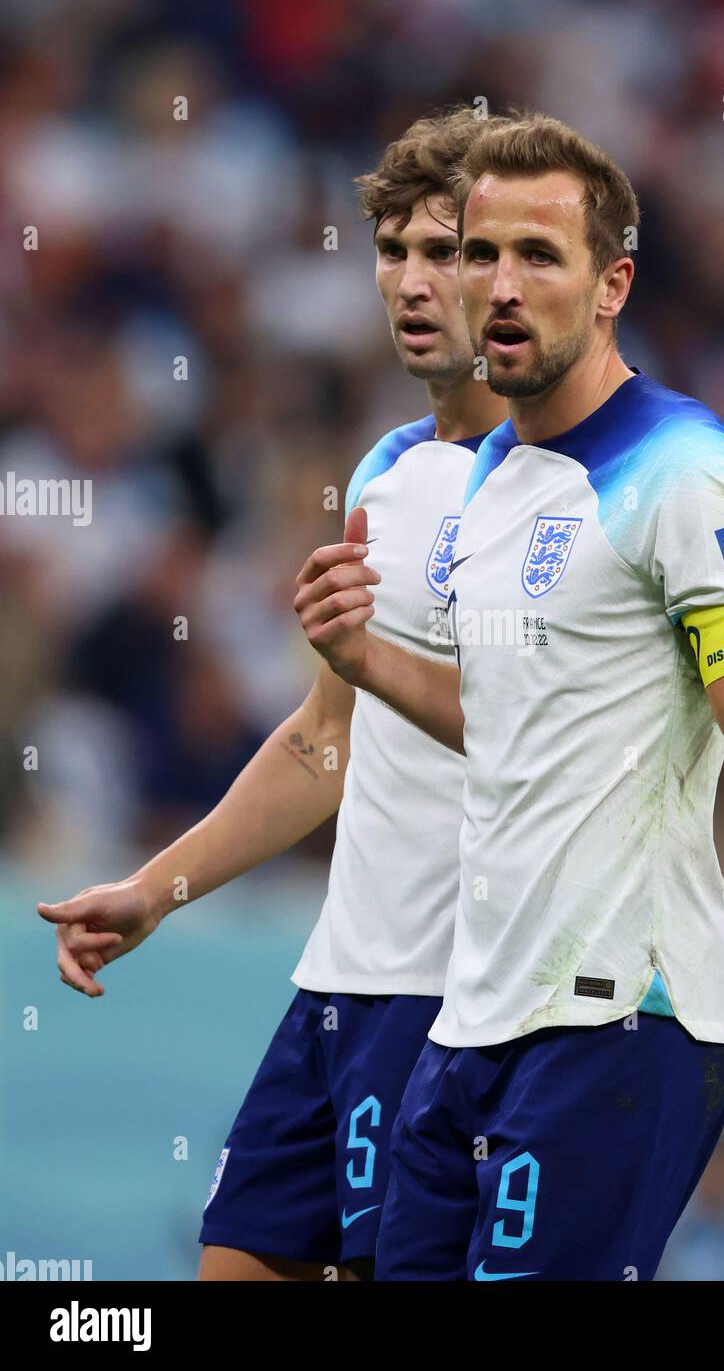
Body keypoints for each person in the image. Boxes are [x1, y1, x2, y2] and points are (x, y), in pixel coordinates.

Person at [295, 112, 724, 1281]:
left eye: (538, 256)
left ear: (611, 282)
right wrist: (369, 665)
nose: (496, 287)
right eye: (476, 253)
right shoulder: (491, 478)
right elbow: (517, 727)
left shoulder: (689, 470)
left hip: (624, 1013)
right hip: (468, 1024)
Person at [36, 106, 507, 1282]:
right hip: (339, 979)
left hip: (454, 997)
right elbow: (322, 743)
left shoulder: (580, 488)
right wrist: (155, 889)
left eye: (442, 251)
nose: (408, 280)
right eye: (391, 250)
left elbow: (559, 731)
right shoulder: (386, 472)